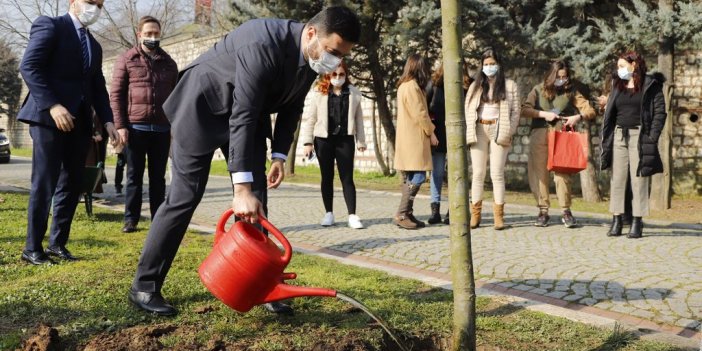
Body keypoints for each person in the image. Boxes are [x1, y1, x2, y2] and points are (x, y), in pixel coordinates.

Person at [128, 6, 360, 316]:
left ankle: (260, 285)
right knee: (185, 197)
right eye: (332, 51)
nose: (334, 61)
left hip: (245, 117)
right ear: (311, 33)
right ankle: (144, 286)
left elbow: (292, 107)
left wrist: (278, 156)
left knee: (257, 200)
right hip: (202, 108)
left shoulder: (311, 57)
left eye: (341, 55)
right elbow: (244, 113)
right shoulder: (261, 42)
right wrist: (240, 188)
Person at [17, 0, 119, 265]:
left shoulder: (94, 46)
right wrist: (52, 105)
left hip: (80, 122)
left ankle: (57, 243)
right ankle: (32, 248)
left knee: (72, 183)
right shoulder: (50, 26)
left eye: (99, 4)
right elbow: (30, 67)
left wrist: (108, 120)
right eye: (89, 2)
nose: (94, 8)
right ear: (73, 2)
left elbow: (98, 87)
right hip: (48, 117)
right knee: (45, 181)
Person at [110, 16, 178, 233]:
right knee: (134, 176)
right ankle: (131, 219)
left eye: (156, 33)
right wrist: (120, 126)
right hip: (135, 128)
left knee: (158, 177)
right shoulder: (126, 59)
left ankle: (158, 219)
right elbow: (116, 95)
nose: (152, 37)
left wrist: (175, 127)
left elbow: (177, 97)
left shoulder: (169, 63)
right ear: (139, 35)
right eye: (148, 33)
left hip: (162, 128)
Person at [599, 51, 666, 239]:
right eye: (618, 67)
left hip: (640, 136)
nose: (618, 70)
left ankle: (637, 221)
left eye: (622, 66)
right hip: (619, 135)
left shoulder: (650, 85)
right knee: (617, 179)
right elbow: (610, 112)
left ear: (634, 65)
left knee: (639, 179)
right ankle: (617, 220)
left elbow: (660, 113)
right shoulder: (617, 84)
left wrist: (651, 137)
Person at [521, 59, 596, 228]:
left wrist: (578, 116)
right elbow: (524, 110)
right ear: (551, 76)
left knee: (562, 174)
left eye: (565, 77)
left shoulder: (571, 91)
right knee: (539, 174)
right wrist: (542, 114)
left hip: (562, 135)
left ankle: (566, 210)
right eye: (558, 77)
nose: (562, 80)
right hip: (540, 134)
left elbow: (589, 110)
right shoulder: (537, 89)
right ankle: (543, 211)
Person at [300, 61, 366, 229]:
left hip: (345, 140)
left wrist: (361, 141)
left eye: (341, 75)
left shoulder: (354, 94)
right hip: (323, 140)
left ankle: (352, 215)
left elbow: (359, 119)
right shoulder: (319, 93)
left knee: (347, 178)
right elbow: (311, 119)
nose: (338, 78)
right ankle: (329, 213)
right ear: (328, 75)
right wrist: (307, 143)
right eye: (334, 75)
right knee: (326, 177)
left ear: (346, 75)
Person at [464, 48, 520, 230]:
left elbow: (516, 112)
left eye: (492, 64)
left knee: (497, 173)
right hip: (479, 128)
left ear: (499, 65)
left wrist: (509, 130)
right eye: (486, 64)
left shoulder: (510, 86)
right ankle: (476, 215)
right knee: (478, 173)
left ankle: (498, 217)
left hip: (499, 129)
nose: (489, 67)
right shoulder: (475, 86)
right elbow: (467, 107)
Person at [393, 54, 439, 230]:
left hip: (408, 139)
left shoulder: (404, 86)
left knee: (412, 177)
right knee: (418, 176)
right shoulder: (411, 87)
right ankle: (402, 213)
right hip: (414, 139)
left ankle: (408, 212)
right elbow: (420, 113)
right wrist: (431, 132)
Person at [425, 61, 472, 225]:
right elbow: (424, 108)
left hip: (458, 136)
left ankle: (453, 210)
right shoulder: (434, 83)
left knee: (455, 174)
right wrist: (429, 132)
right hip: (437, 136)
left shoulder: (467, 85)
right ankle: (435, 210)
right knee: (437, 173)